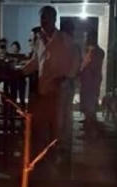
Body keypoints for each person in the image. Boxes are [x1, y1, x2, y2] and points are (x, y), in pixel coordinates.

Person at [23, 6, 76, 171]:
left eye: (46, 17)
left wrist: (66, 77)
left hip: (61, 90)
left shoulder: (65, 39)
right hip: (44, 89)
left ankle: (63, 160)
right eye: (42, 18)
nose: (44, 21)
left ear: (54, 19)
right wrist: (20, 71)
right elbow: (35, 62)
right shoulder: (39, 39)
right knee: (44, 125)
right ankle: (47, 159)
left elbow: (76, 60)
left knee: (60, 125)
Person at [59, 19, 81, 165]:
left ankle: (61, 143)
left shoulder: (61, 44)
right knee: (66, 115)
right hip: (68, 82)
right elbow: (76, 66)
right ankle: (65, 144)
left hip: (62, 83)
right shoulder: (74, 45)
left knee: (61, 114)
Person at [79, 31, 105, 137]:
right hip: (86, 81)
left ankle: (91, 129)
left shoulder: (98, 52)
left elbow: (92, 66)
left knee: (91, 103)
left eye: (87, 37)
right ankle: (87, 122)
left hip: (92, 82)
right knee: (86, 102)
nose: (85, 40)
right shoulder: (86, 51)